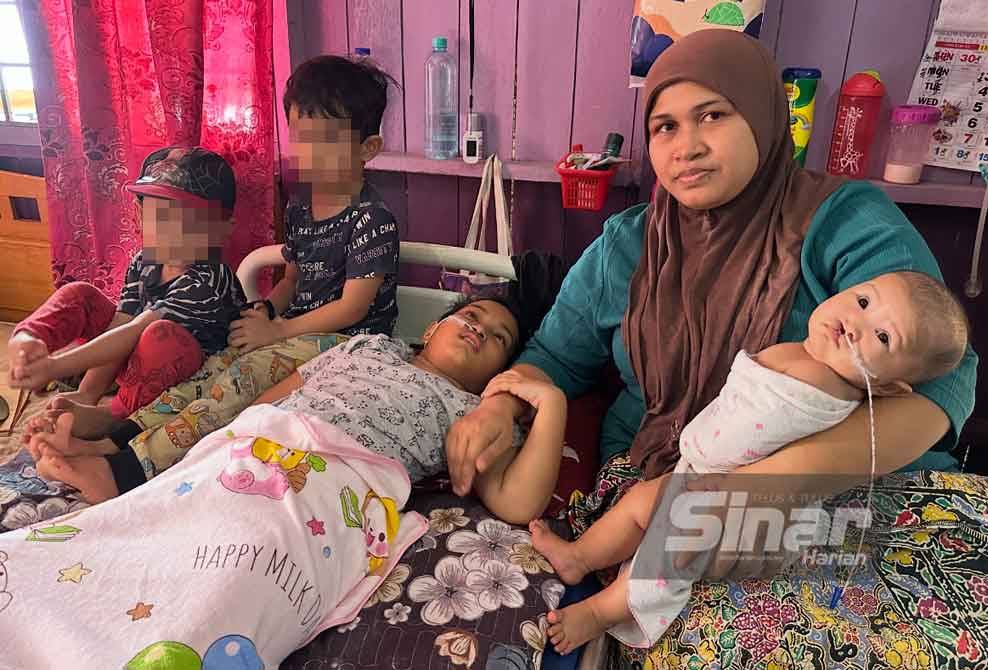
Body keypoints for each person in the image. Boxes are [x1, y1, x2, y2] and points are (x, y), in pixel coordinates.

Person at [446, 28, 976, 604]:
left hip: (854, 491)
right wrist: (499, 406)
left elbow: (944, 382)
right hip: (668, 489)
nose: (687, 147)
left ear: (763, 117)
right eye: (665, 127)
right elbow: (553, 357)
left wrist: (767, 485)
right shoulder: (626, 246)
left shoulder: (841, 220)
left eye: (713, 115)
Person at [528, 270, 970, 653]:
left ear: (887, 389)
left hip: (744, 502)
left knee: (670, 551)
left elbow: (756, 445)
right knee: (641, 502)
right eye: (863, 301)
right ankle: (579, 557)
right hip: (704, 473)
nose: (856, 324)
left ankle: (601, 612)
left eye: (883, 337)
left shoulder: (829, 388)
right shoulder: (808, 353)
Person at [23, 54, 402, 498]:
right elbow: (292, 281)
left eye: (328, 141)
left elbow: (352, 308)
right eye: (302, 137)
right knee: (211, 371)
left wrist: (277, 331)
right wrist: (264, 312)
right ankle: (116, 434)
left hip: (348, 343)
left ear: (367, 148)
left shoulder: (372, 220)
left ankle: (127, 470)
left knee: (237, 385)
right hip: (294, 331)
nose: (311, 154)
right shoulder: (300, 210)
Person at [30, 297, 567, 523]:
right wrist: (227, 437)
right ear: (431, 328)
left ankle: (124, 484)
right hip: (267, 433)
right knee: (224, 415)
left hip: (327, 475)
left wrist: (551, 406)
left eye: (498, 338)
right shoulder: (371, 347)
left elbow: (516, 500)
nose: (479, 330)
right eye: (471, 316)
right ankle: (128, 465)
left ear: (499, 373)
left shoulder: (471, 412)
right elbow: (283, 390)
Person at [6, 146, 246, 419]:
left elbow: (134, 331)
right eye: (160, 218)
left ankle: (116, 414)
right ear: (139, 215)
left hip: (190, 379)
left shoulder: (209, 279)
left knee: (161, 335)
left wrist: (55, 366)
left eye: (191, 222)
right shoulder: (144, 261)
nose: (174, 233)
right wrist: (88, 392)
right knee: (79, 294)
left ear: (223, 229)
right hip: (137, 360)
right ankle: (28, 342)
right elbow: (122, 322)